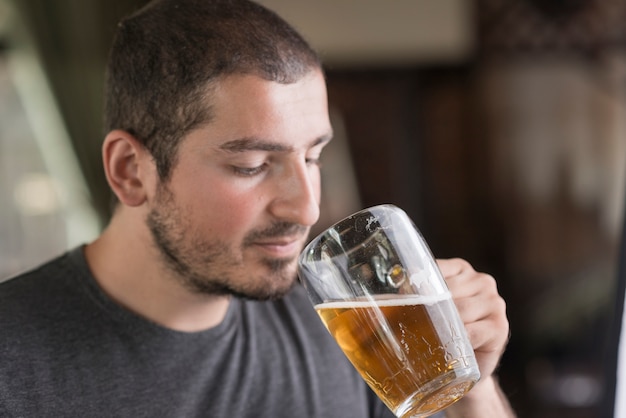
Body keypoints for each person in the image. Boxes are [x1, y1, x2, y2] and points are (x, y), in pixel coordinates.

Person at [0, 0, 515, 416]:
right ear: (131, 170)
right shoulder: (13, 365)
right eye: (250, 165)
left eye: (313, 156)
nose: (306, 207)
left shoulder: (349, 330)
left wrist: (473, 391)